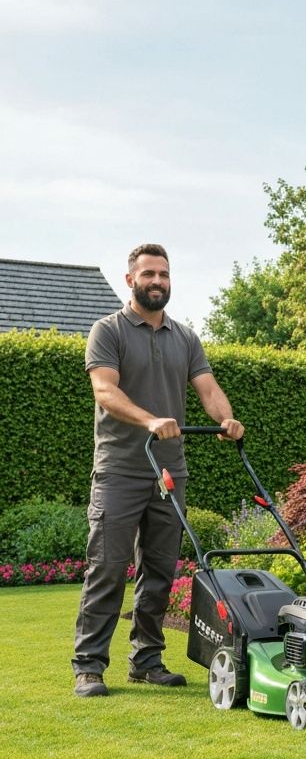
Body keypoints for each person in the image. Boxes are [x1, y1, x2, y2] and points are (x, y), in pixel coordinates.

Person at [71, 243, 244, 698]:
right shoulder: (106, 331)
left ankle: (146, 660)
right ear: (131, 280)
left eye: (164, 275)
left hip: (170, 472)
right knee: (107, 567)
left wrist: (225, 419)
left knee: (161, 571)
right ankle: (88, 666)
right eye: (149, 274)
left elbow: (208, 388)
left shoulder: (184, 337)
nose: (158, 282)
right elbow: (104, 391)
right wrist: (149, 419)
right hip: (120, 471)